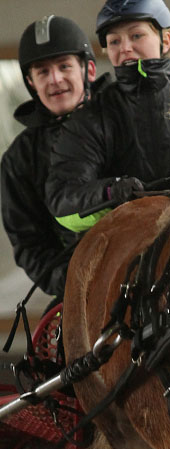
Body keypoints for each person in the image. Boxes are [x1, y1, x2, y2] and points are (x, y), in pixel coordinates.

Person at [45, 0, 170, 234]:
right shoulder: (92, 117)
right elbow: (63, 201)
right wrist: (110, 192)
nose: (125, 48)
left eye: (136, 35)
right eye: (114, 41)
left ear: (165, 41)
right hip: (132, 246)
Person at [1, 16, 110, 298]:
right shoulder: (18, 159)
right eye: (43, 72)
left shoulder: (123, 122)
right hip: (81, 292)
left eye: (64, 66)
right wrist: (77, 280)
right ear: (30, 82)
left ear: (89, 69)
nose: (56, 79)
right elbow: (29, 244)